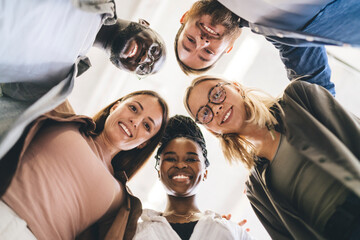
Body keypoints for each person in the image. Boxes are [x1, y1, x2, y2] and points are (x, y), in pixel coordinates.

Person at [184, 76, 360, 239]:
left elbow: (354, 134)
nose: (216, 108)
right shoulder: (256, 190)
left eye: (217, 94)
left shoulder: (298, 98)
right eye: (205, 114)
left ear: (236, 87)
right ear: (210, 129)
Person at [0, 0, 166, 161]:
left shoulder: (59, 81)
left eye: (143, 68)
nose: (144, 58)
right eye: (154, 51)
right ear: (144, 24)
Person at [0, 90, 169, 240]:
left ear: (144, 144)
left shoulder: (120, 199)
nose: (135, 121)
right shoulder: (65, 120)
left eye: (147, 125)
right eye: (133, 108)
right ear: (115, 106)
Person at [175, 0, 360, 95]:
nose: (202, 42)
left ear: (185, 17)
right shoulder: (280, 32)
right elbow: (316, 90)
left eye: (190, 40)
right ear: (229, 47)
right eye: (208, 52)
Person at [133, 115, 254, 240]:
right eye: (170, 159)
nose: (180, 165)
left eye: (191, 159)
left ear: (205, 172)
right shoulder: (137, 232)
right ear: (159, 171)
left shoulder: (229, 231)